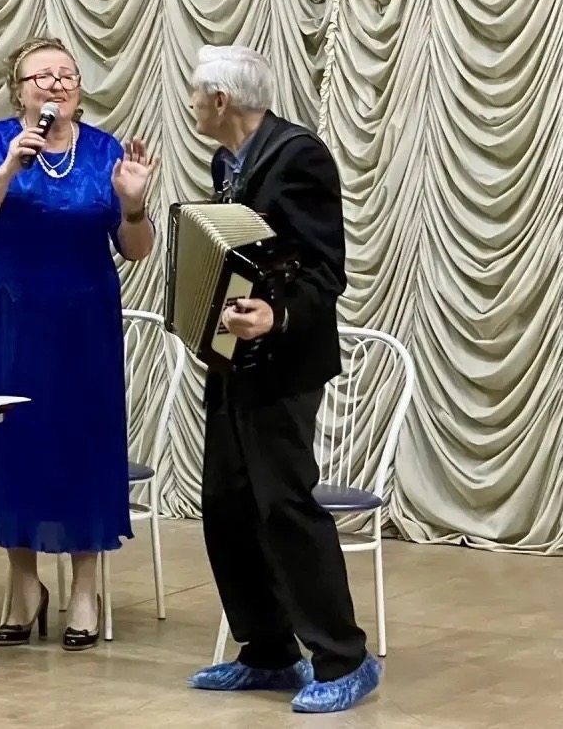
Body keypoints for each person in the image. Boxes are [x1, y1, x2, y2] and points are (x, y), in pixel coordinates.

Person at [183, 46, 381, 714]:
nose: (190, 104)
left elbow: (325, 269)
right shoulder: (227, 162)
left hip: (287, 362)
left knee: (284, 506)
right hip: (232, 357)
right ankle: (267, 651)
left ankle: (344, 657)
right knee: (227, 505)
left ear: (220, 101)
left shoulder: (300, 156)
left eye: (195, 93)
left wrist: (277, 313)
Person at [0, 36, 157, 651]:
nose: (57, 84)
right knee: (12, 439)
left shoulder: (106, 150)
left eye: (67, 75)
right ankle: (23, 582)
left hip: (81, 317)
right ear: (19, 92)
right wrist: (9, 169)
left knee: (81, 439)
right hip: (4, 313)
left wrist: (134, 207)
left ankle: (86, 586)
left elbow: (136, 249)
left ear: (79, 89)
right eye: (43, 76)